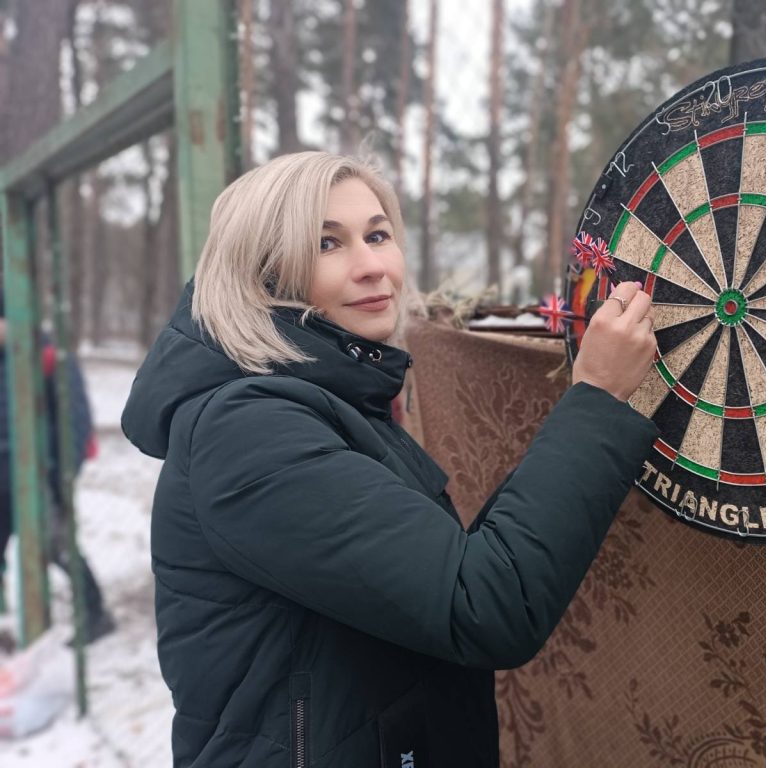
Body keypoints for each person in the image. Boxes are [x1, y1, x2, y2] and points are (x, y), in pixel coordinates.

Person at [121, 152, 658, 767]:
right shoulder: (248, 430)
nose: (372, 265)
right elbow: (483, 602)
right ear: (262, 272)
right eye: (328, 244)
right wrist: (596, 397)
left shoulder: (328, 399)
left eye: (378, 235)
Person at [0, 304, 114, 643]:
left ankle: (95, 614)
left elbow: (74, 421)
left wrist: (63, 473)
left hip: (38, 476)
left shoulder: (48, 357)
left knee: (56, 547)